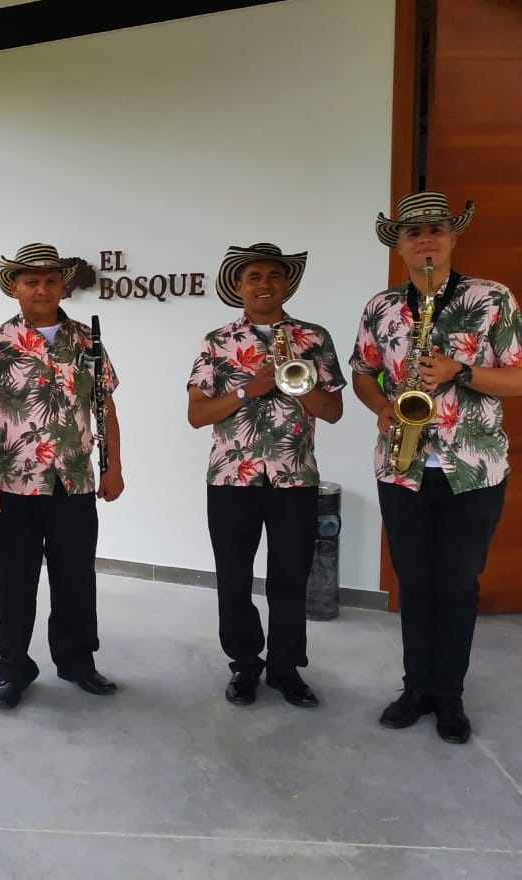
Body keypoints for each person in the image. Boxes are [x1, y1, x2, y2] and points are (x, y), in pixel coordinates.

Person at [351, 191, 522, 744]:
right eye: (413, 232)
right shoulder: (381, 307)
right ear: (400, 245)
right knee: (413, 581)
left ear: (453, 236)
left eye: (435, 228)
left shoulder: (492, 299)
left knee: (457, 583)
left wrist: (461, 370)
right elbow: (363, 373)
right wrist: (384, 407)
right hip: (401, 467)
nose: (425, 239)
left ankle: (450, 697)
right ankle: (417, 689)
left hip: (474, 471)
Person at [0, 243, 125, 710]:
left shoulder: (87, 341)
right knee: (14, 582)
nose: (42, 288)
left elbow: (106, 409)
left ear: (63, 287)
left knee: (76, 578)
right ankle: (13, 670)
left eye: (51, 280)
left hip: (74, 481)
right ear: (14, 288)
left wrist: (113, 468)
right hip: (13, 485)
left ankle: (77, 662)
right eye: (31, 281)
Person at [186, 243, 345, 709]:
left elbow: (333, 410)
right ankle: (244, 665)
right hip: (231, 479)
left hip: (295, 477)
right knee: (234, 577)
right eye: (254, 276)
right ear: (239, 285)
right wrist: (250, 389)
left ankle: (285, 668)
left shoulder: (314, 338)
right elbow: (197, 415)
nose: (264, 284)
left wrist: (299, 385)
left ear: (287, 284)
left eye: (274, 276)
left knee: (290, 579)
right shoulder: (216, 342)